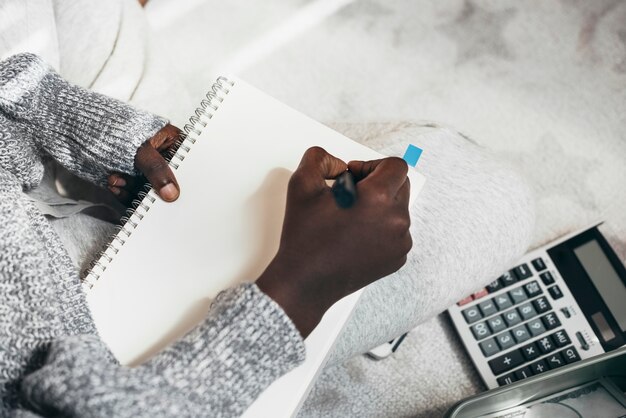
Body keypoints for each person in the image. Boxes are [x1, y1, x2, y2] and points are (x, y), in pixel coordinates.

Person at [0, 1, 535, 416]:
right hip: (81, 331)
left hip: (23, 195)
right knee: (485, 192)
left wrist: (51, 106)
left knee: (266, 168)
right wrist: (298, 290)